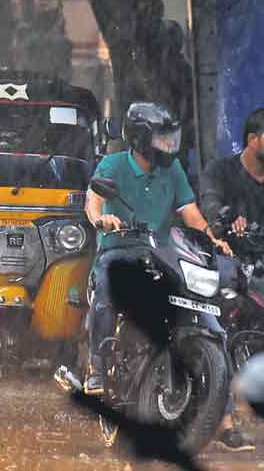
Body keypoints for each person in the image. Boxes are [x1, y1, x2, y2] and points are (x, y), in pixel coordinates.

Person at [84, 103, 246, 450]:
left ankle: (225, 416)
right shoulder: (113, 164)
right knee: (108, 293)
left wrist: (211, 237)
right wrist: (102, 219)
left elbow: (190, 212)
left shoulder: (172, 173)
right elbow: (93, 200)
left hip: (160, 251)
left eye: (172, 138)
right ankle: (96, 366)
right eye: (162, 138)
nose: (170, 145)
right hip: (119, 251)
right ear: (141, 138)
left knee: (210, 321)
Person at [196, 108, 264, 452]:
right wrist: (221, 221)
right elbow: (208, 201)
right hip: (228, 261)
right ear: (253, 140)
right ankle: (221, 420)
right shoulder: (221, 171)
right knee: (217, 326)